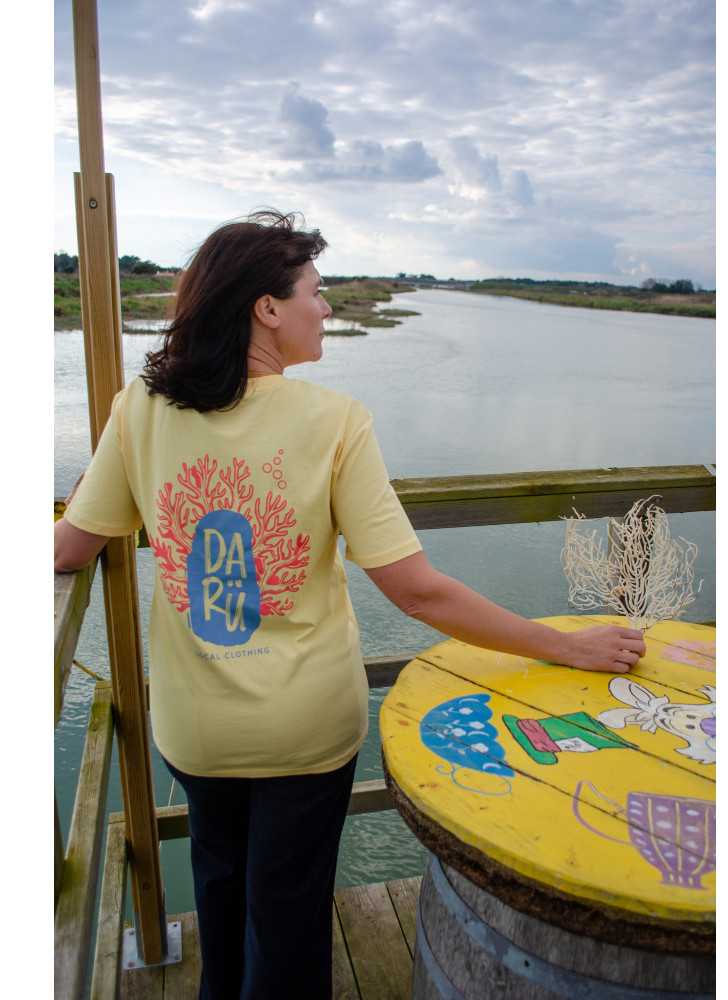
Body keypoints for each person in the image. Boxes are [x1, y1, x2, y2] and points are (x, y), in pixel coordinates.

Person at [54, 210, 645, 999]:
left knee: (220, 894)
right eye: (316, 291)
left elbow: (69, 549)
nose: (326, 308)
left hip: (193, 726)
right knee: (289, 916)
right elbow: (414, 588)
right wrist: (564, 646)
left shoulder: (141, 408)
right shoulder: (334, 422)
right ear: (267, 307)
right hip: (304, 725)